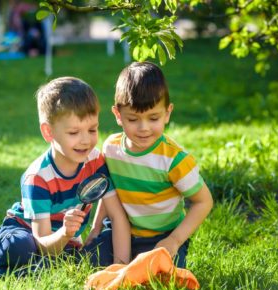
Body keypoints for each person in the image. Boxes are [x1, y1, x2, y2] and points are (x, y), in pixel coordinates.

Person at [0, 77, 131, 276]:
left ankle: (1, 276)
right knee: (22, 249)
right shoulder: (38, 177)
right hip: (27, 233)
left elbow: (118, 217)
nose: (86, 140)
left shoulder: (95, 162)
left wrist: (121, 270)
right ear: (48, 132)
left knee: (79, 256)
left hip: (63, 244)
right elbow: (43, 243)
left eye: (92, 130)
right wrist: (65, 233)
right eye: (74, 133)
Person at [90, 61, 213, 269]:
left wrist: (174, 241)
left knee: (162, 273)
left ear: (167, 113)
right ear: (118, 115)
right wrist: (96, 228)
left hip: (163, 236)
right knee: (92, 259)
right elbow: (108, 193)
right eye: (133, 119)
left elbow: (204, 202)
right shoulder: (111, 148)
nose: (143, 128)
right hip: (121, 232)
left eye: (153, 118)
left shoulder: (174, 159)